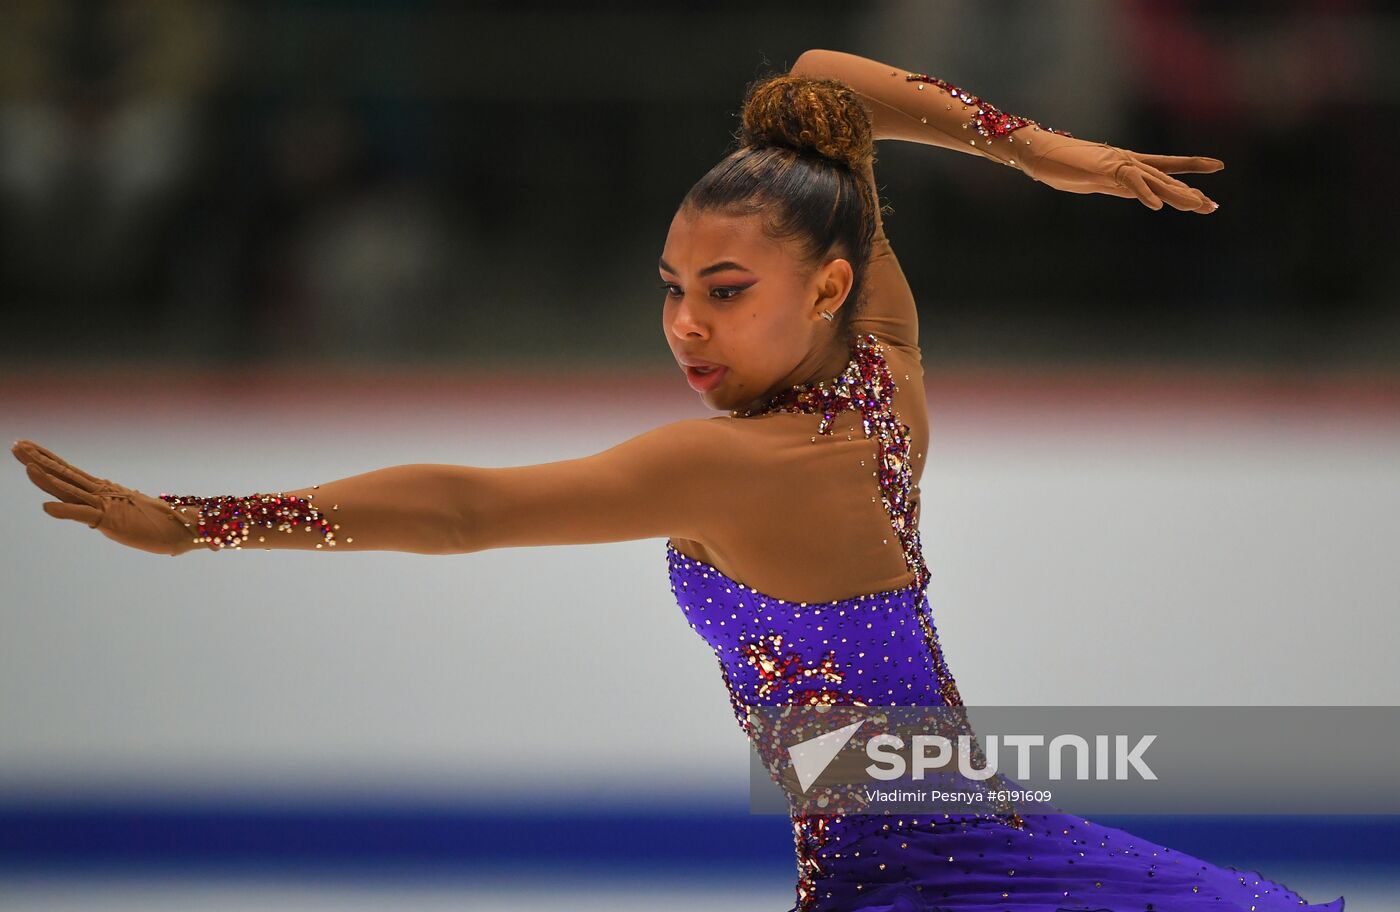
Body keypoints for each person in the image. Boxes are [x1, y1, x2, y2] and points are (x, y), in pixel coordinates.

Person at [13, 48, 1343, 912]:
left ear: (822, 283)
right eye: (672, 292)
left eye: (725, 292)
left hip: (927, 886)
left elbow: (467, 507)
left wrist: (203, 525)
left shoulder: (736, 463)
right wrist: (1048, 151)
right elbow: (816, 91)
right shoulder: (883, 370)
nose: (687, 328)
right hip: (959, 845)